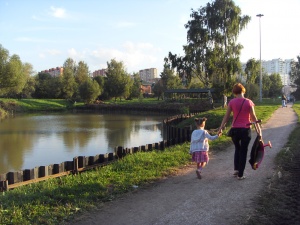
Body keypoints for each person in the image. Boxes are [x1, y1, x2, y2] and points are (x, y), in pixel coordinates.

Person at [218, 83, 262, 180]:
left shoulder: (232, 102)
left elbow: (226, 117)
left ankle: (236, 170)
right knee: (243, 151)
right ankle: (240, 175)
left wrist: (220, 128)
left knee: (237, 148)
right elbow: (254, 118)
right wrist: (259, 131)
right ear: (243, 90)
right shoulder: (249, 102)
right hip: (245, 130)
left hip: (235, 130)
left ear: (234, 92)